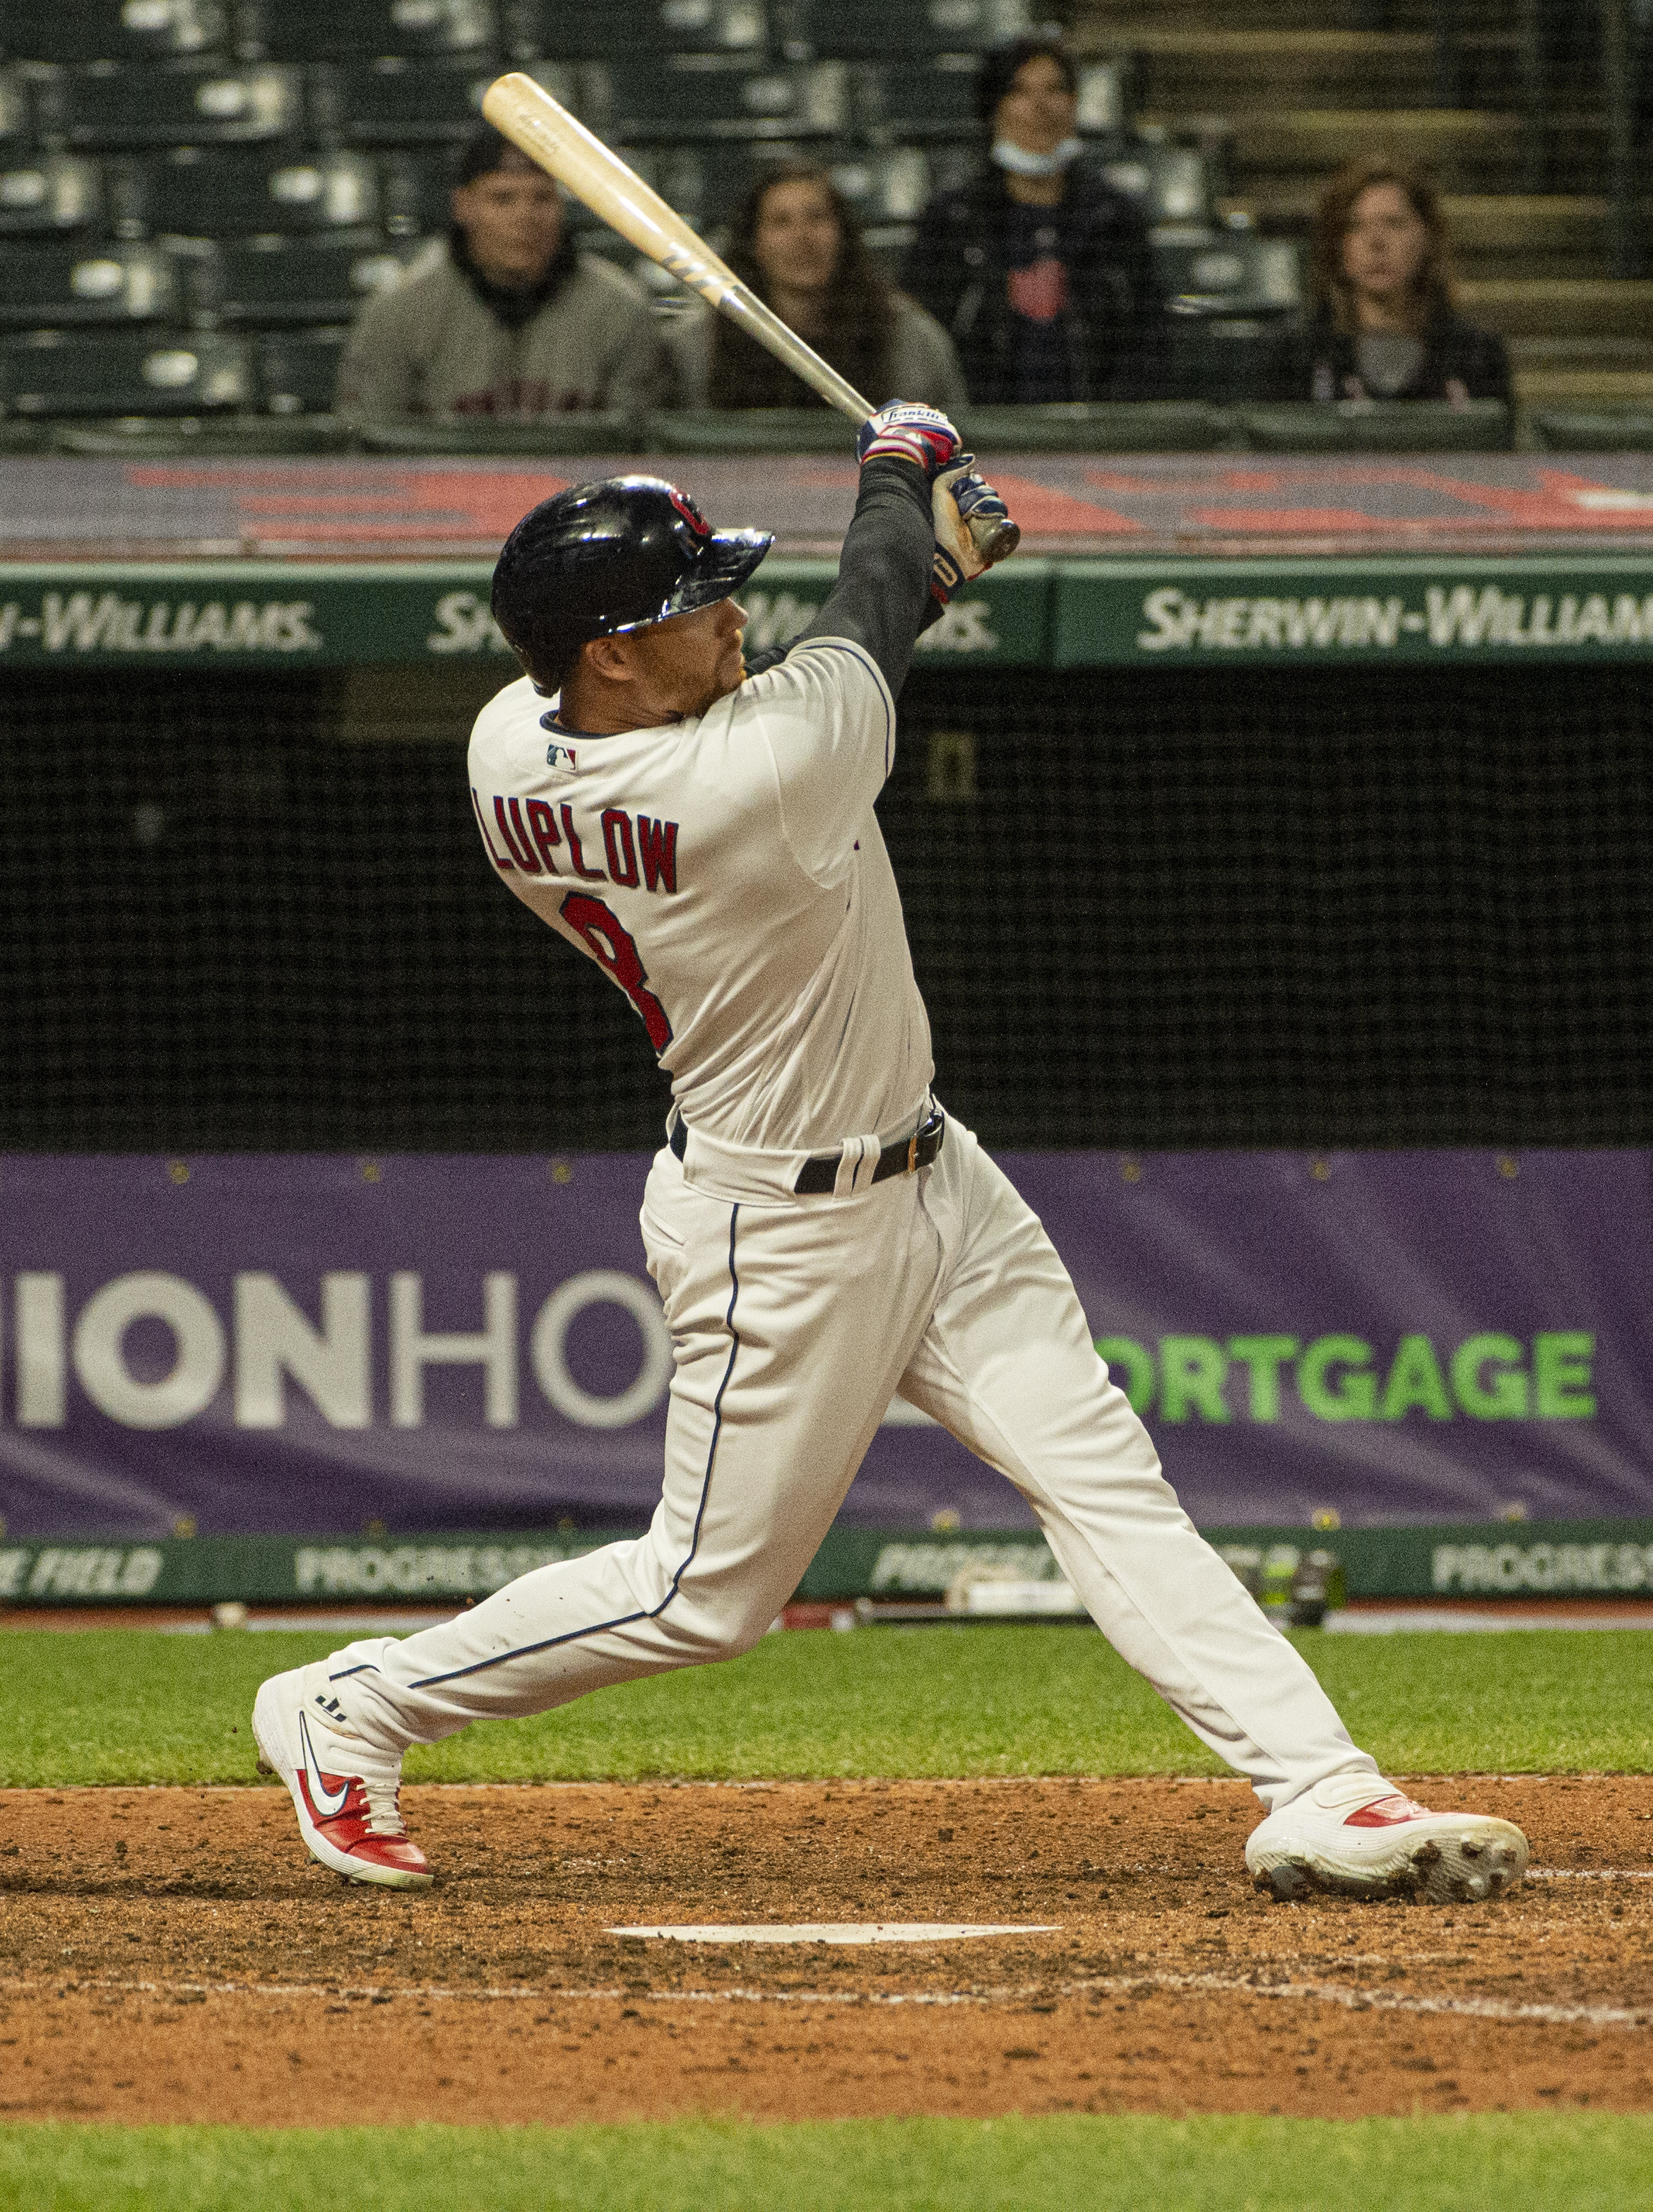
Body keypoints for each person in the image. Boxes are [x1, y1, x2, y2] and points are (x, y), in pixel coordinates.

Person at [251, 403, 1529, 1913]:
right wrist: (899, 468)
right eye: (693, 604)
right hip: (775, 1229)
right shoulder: (750, 780)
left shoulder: (508, 743)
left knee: (1102, 1477)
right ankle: (356, 1705)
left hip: (933, 1180)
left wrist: (927, 558)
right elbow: (857, 618)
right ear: (606, 654)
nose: (732, 617)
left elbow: (863, 623)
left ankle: (1319, 1787)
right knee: (702, 1597)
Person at [336, 124, 663, 422]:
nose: (525, 217)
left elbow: (642, 451)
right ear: (463, 207)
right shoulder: (399, 312)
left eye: (543, 197)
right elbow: (369, 449)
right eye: (503, 199)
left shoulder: (620, 307)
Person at [901, 34, 1163, 405]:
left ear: (1074, 104)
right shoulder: (951, 220)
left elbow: (1149, 340)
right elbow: (924, 341)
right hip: (980, 437)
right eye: (1020, 91)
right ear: (994, 109)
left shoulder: (1116, 219)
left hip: (1098, 438)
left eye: (1055, 89)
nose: (1041, 107)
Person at [665, 162, 965, 412]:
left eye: (817, 218)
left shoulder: (910, 338)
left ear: (843, 234)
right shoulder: (697, 344)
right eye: (781, 222)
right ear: (753, 243)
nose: (802, 237)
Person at [1272, 158, 1514, 406]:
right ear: (1338, 245)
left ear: (1427, 238)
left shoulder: (1476, 354)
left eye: (1394, 224)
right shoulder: (1295, 352)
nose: (1376, 242)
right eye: (1357, 226)